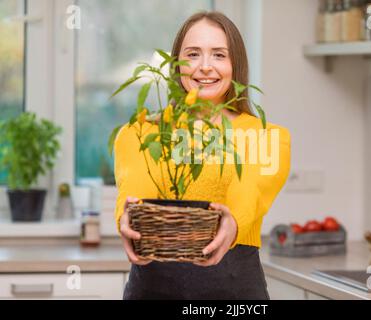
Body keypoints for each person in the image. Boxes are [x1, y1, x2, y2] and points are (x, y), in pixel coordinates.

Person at [114, 11, 291, 300]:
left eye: (219, 55)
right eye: (193, 54)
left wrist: (231, 223)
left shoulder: (268, 136)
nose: (205, 67)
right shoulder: (139, 133)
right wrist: (126, 219)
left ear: (236, 65)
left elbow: (250, 189)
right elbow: (134, 189)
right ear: (175, 64)